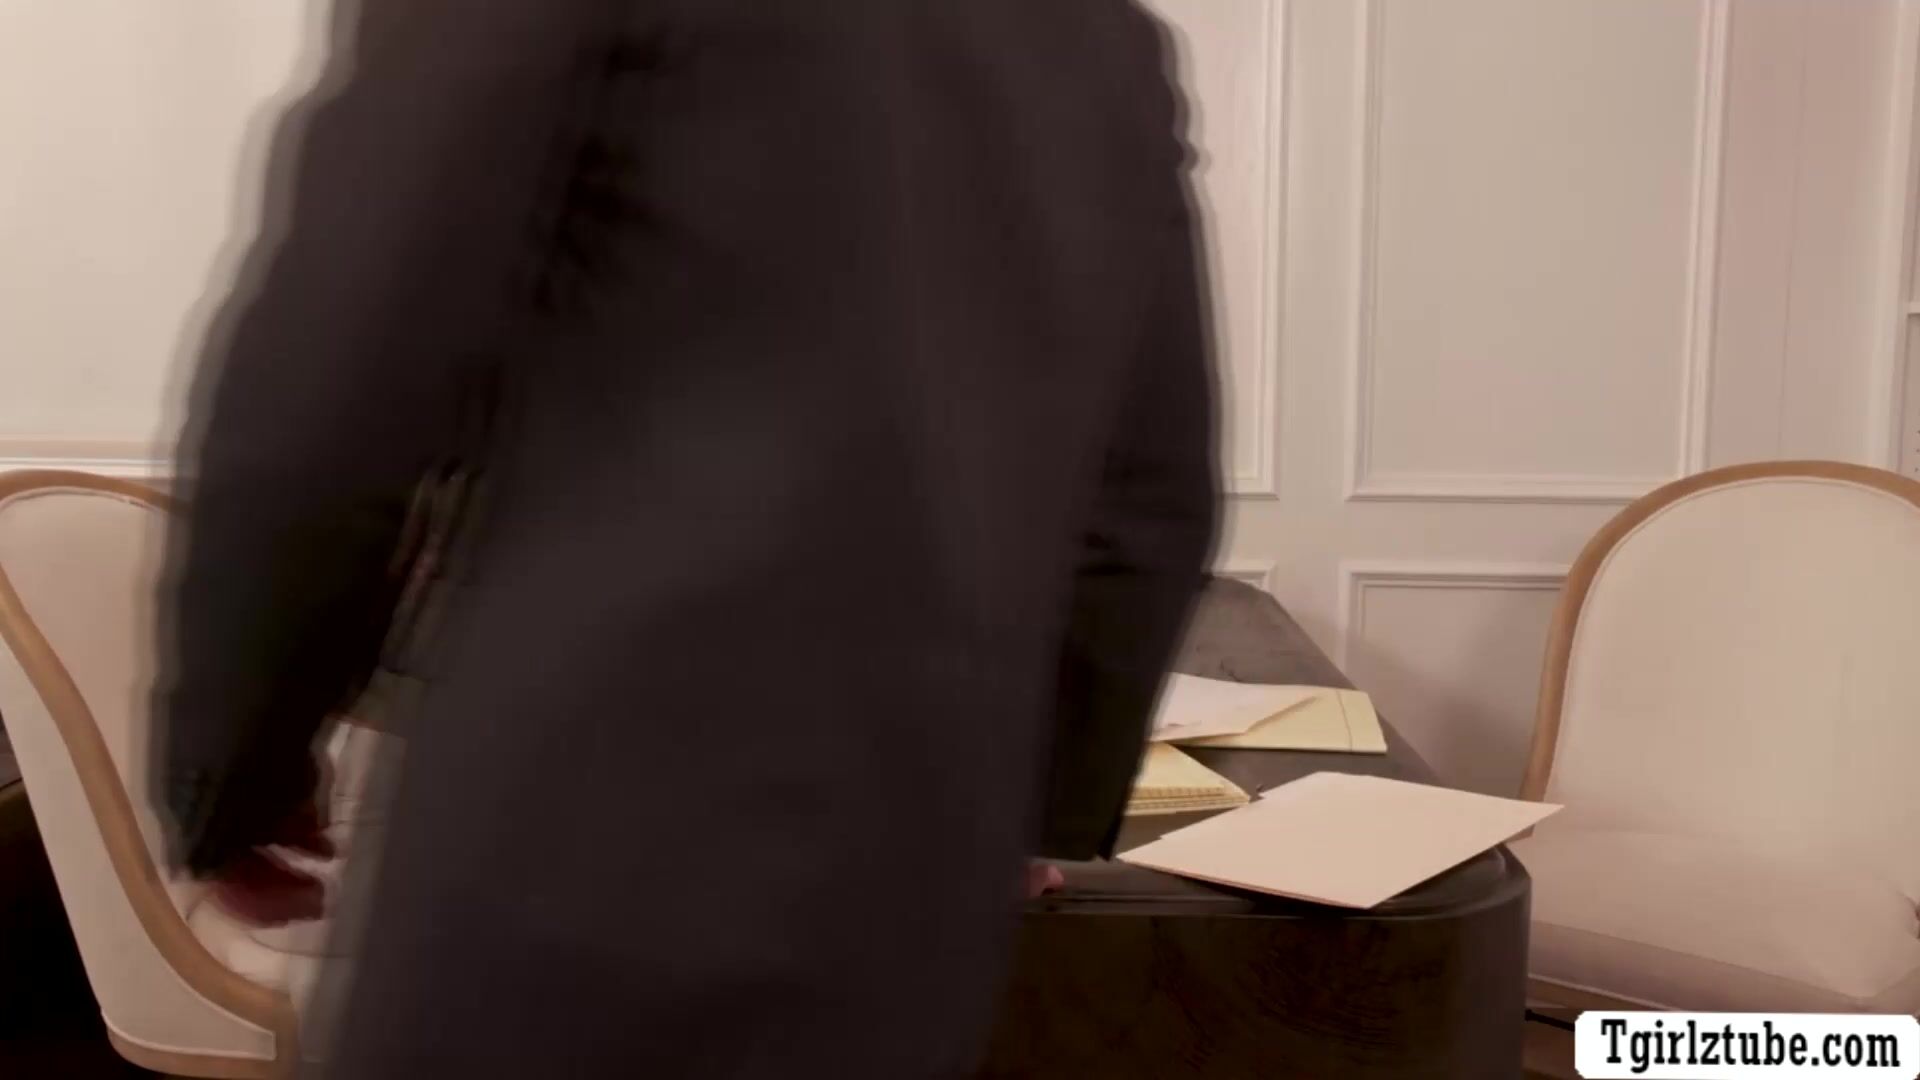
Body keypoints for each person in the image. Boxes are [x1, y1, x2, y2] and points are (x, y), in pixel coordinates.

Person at [151, 0, 1220, 1075]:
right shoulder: (1106, 41)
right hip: (908, 906)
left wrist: (238, 775)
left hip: (568, 854)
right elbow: (1148, 497)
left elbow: (332, 386)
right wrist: (1030, 809)